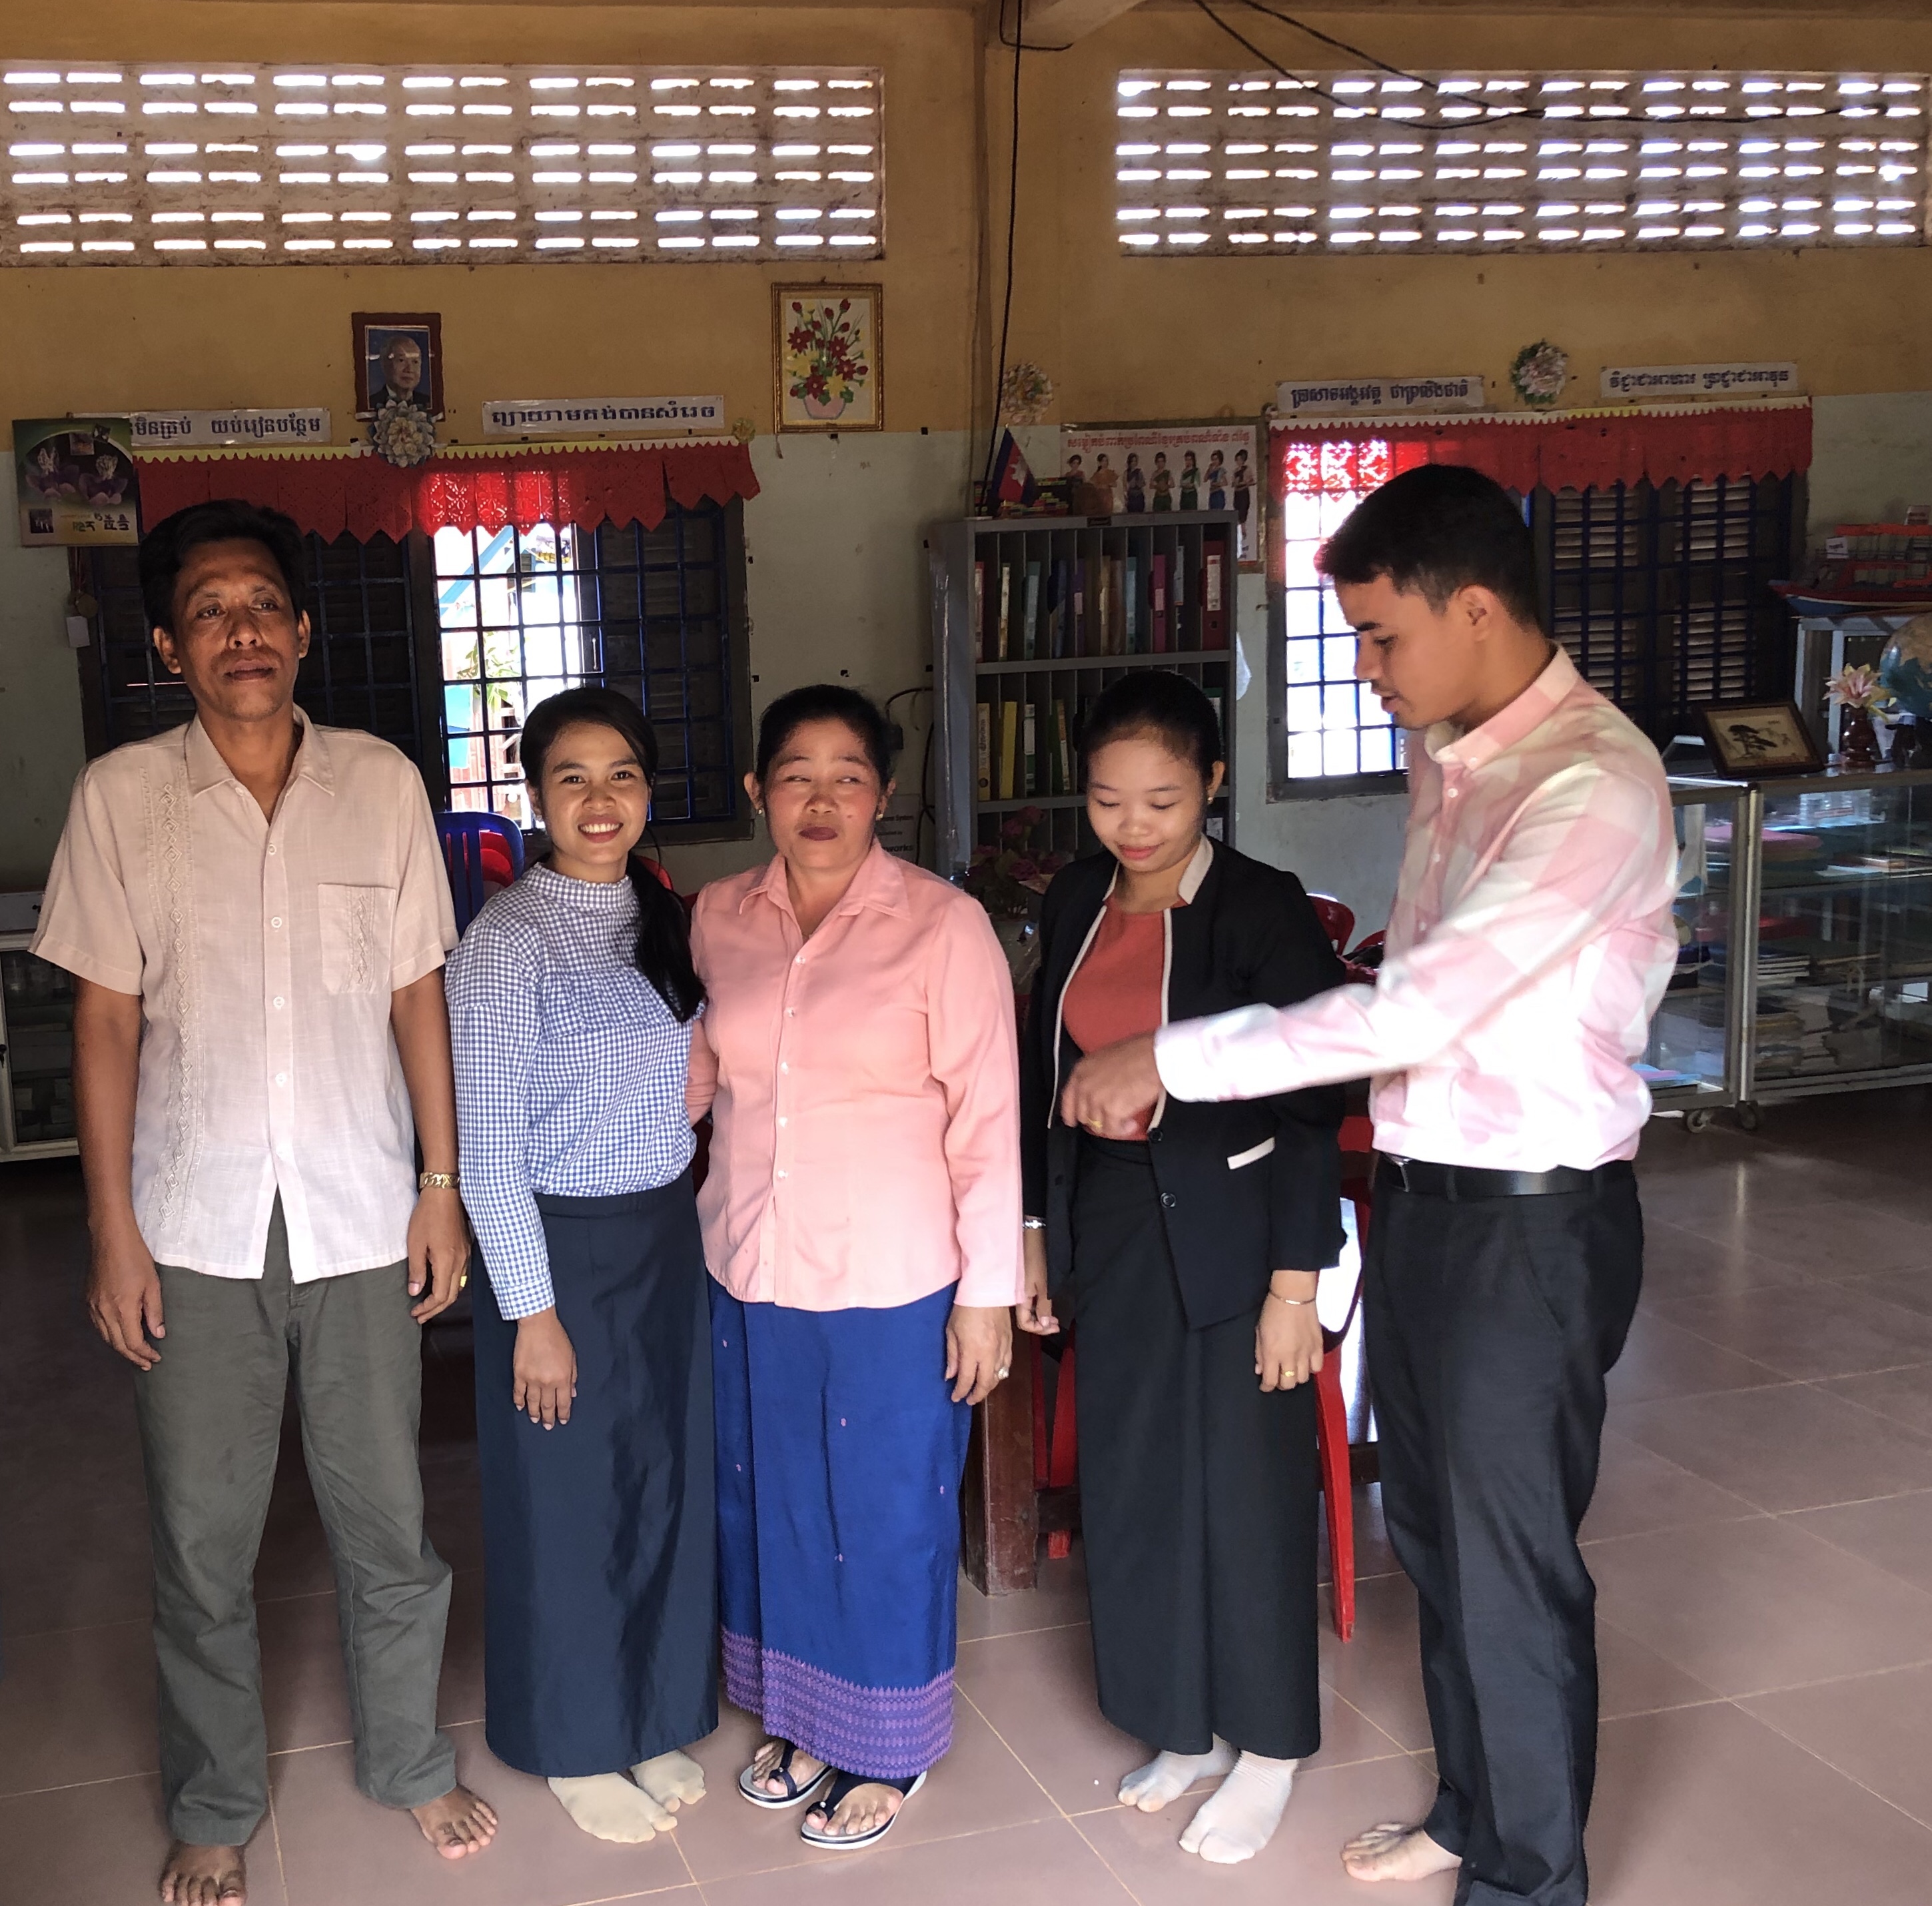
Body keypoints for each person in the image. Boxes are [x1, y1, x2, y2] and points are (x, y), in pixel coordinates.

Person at [1063, 464, 1677, 1906]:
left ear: (1477, 610)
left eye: (1382, 636)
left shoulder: (1589, 783)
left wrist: (1171, 1055)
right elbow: (1420, 983)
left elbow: (1416, 1010)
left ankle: (1530, 1879)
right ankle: (1473, 1815)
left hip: (1530, 1219)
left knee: (1510, 1563)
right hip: (1426, 1199)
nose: (1368, 669)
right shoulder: (1456, 760)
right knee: (1443, 1548)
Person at [32, 499, 498, 1906]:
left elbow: (417, 994)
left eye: (260, 605)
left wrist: (440, 1185)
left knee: (389, 1520)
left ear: (300, 630)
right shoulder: (122, 797)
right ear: (170, 647)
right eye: (209, 610)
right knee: (201, 1539)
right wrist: (111, 1228)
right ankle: (216, 1802)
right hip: (193, 1223)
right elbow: (105, 1020)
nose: (241, 629)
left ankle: (410, 1761)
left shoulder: (381, 782)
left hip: (362, 1213)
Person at [1017, 672, 1344, 1867]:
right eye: (1109, 800)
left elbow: (1316, 1098)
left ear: (1210, 782)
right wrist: (1037, 1231)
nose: (1135, 825)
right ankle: (1183, 1724)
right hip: (1112, 1225)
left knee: (1248, 1492)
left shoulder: (1258, 909)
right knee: (1138, 1480)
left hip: (1239, 1229)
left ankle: (1270, 1745)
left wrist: (1296, 1287)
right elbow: (1041, 1077)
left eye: (1161, 800)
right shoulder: (1075, 897)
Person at [687, 684, 1021, 1852]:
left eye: (849, 776)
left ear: (883, 794)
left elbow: (988, 1119)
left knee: (883, 1511)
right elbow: (696, 1083)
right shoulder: (718, 916)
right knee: (772, 1502)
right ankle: (802, 1718)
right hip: (749, 1265)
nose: (821, 800)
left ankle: (888, 1747)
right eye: (796, 775)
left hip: (891, 1278)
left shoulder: (943, 925)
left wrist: (986, 1296)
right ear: (757, 791)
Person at [446, 687, 716, 1845]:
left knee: (659, 1476)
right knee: (562, 1500)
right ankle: (573, 1739)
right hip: (555, 1247)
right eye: (572, 778)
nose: (599, 800)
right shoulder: (506, 943)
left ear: (647, 791)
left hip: (663, 1238)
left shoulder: (662, 916)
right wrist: (534, 1314)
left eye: (621, 775)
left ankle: (651, 1712)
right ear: (535, 796)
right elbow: (486, 1151)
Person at [368, 332, 431, 412]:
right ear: (384, 364)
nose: (410, 369)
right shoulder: (371, 404)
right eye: (401, 360)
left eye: (415, 362)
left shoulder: (428, 403)